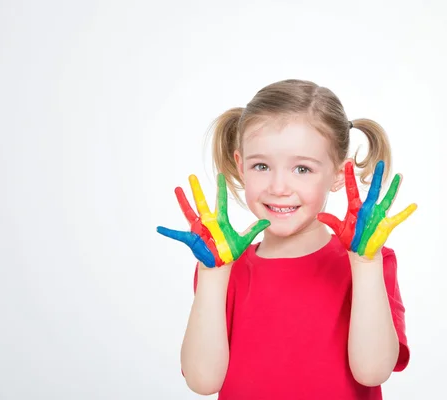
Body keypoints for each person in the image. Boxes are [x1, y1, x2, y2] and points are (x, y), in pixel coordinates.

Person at [157, 79, 417, 399]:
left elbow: (373, 371)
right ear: (240, 166)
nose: (279, 187)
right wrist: (213, 275)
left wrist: (365, 263)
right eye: (262, 165)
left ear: (339, 174)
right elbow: (202, 381)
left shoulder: (371, 261)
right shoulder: (223, 267)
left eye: (302, 169)